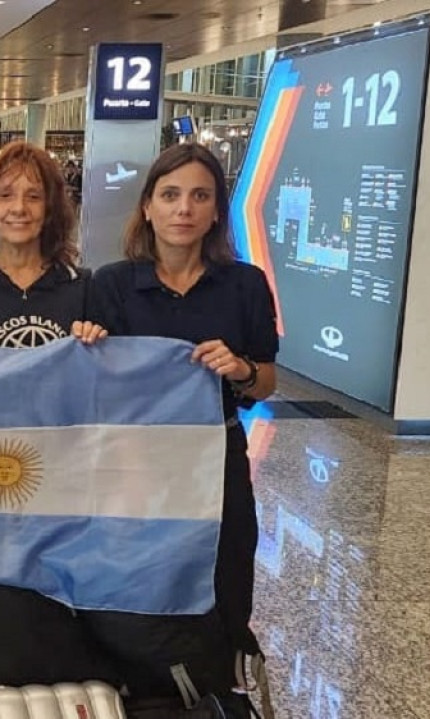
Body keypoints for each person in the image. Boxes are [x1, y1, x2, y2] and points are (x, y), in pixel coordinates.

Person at [91, 143, 278, 709]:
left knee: (222, 583)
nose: (184, 209)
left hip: (216, 459)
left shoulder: (244, 285)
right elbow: (96, 385)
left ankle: (216, 690)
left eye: (200, 196)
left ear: (217, 210)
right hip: (136, 463)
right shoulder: (112, 285)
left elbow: (266, 381)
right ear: (147, 207)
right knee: (140, 584)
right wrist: (91, 347)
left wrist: (241, 369)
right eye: (170, 195)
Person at [0, 140, 104, 347]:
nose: (19, 208)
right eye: (6, 195)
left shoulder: (82, 287)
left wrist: (95, 341)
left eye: (34, 196)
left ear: (49, 207)